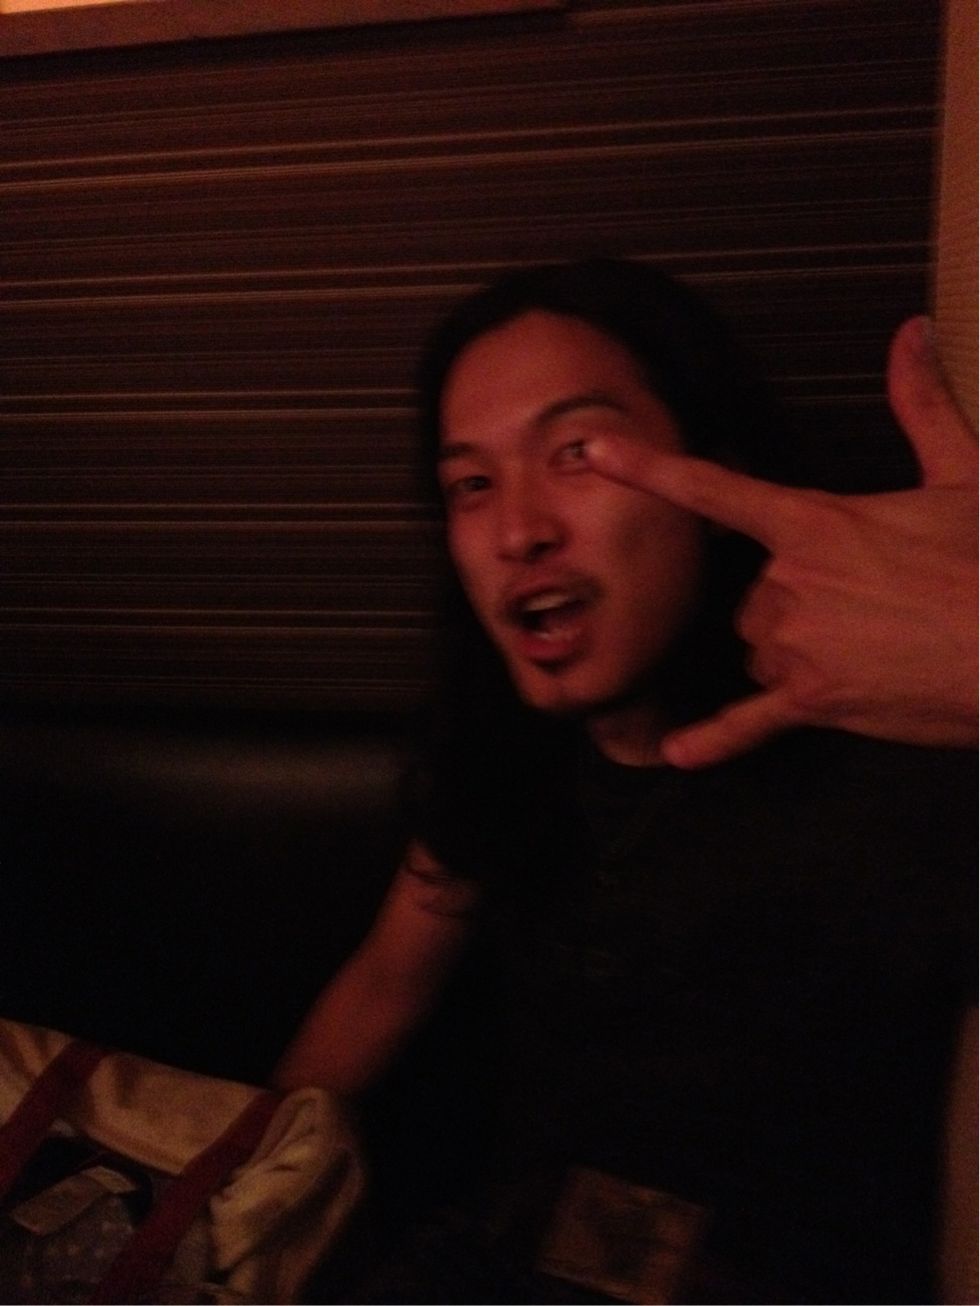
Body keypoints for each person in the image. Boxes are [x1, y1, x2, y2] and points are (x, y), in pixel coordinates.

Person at [275, 260, 975, 1305]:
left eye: (578, 454)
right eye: (471, 483)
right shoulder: (501, 746)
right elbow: (385, 985)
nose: (518, 530)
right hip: (497, 1261)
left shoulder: (893, 759)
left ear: (713, 471)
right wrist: (220, 1193)